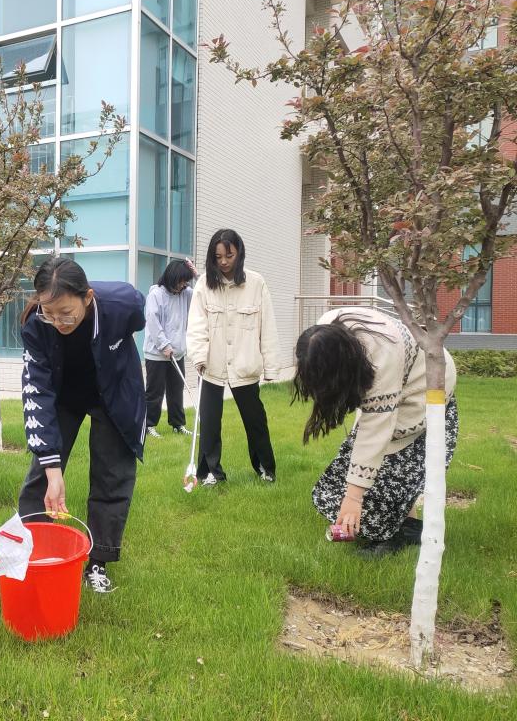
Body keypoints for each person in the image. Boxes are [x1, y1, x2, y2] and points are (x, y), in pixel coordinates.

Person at [17, 257, 146, 593]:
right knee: (41, 476)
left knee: (112, 475)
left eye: (65, 312)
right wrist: (53, 469)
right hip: (63, 394)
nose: (57, 321)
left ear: (87, 297)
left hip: (113, 392)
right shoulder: (35, 324)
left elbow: (140, 314)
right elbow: (37, 392)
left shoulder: (121, 304)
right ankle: (29, 552)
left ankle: (98, 561)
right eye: (49, 312)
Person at [294, 307, 458, 557]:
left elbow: (375, 433)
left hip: (426, 388)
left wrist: (353, 498)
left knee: (388, 470)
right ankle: (408, 527)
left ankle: (392, 536)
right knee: (363, 468)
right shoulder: (325, 331)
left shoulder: (383, 356)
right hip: (401, 379)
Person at [186, 229, 280, 485]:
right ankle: (210, 472)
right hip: (211, 364)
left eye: (229, 255)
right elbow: (196, 325)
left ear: (239, 254)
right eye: (218, 257)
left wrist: (271, 367)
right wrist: (199, 356)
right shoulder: (204, 284)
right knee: (209, 422)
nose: (224, 262)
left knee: (255, 420)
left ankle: (265, 468)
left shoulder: (256, 283)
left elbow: (267, 327)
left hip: (245, 363)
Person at [144, 258, 197, 438]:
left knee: (176, 391)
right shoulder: (155, 295)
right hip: (157, 354)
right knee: (155, 392)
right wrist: (164, 345)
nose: (183, 285)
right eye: (181, 281)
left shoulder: (186, 294)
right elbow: (153, 322)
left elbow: (204, 294)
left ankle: (178, 424)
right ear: (172, 277)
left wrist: (196, 274)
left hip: (177, 353)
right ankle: (148, 425)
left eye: (186, 282)